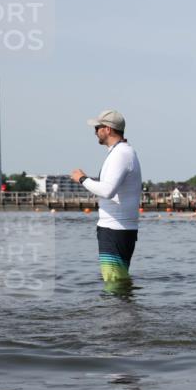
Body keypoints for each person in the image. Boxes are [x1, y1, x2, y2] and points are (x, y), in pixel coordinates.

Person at [70, 110, 142, 285]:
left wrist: (82, 179)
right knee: (119, 282)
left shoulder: (121, 154)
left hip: (115, 228)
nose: (95, 131)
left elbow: (108, 190)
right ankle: (125, 303)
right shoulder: (121, 152)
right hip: (117, 228)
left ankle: (119, 304)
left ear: (108, 129)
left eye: (97, 127)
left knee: (114, 283)